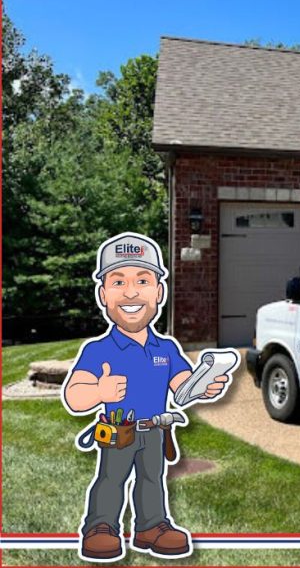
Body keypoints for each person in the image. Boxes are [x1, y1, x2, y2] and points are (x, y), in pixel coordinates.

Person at [62, 233, 234, 562]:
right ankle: (101, 527)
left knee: (152, 479)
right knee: (111, 480)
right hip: (118, 431)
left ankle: (151, 526)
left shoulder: (166, 349)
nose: (130, 292)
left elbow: (182, 385)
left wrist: (203, 384)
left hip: (156, 430)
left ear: (159, 292)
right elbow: (74, 395)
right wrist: (99, 391)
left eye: (142, 280)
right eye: (118, 282)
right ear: (103, 294)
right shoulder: (99, 350)